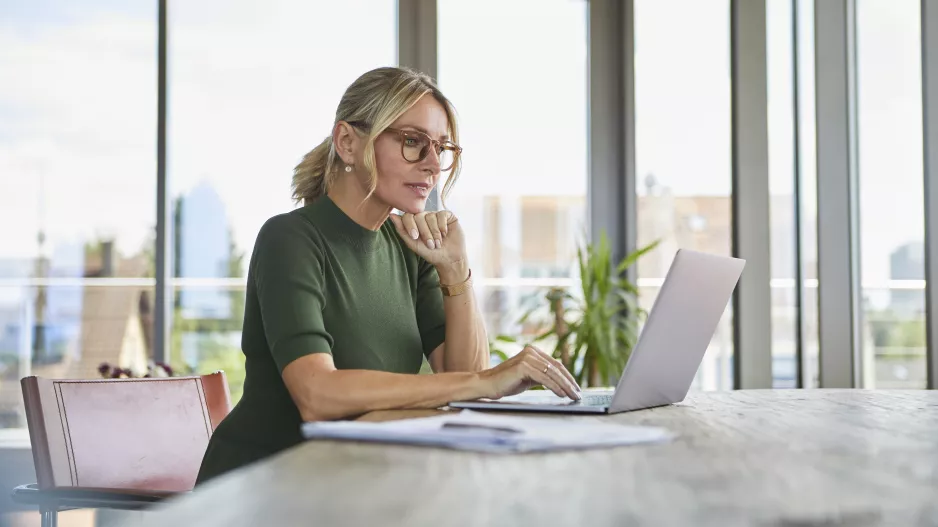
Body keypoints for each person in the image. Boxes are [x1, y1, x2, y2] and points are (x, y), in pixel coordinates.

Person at [195, 66, 581, 484]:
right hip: (265, 485)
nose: (434, 164)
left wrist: (455, 270)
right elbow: (317, 395)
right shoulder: (290, 239)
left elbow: (464, 375)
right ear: (347, 142)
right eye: (413, 142)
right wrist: (484, 381)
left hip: (358, 478)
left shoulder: (407, 246)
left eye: (442, 147)